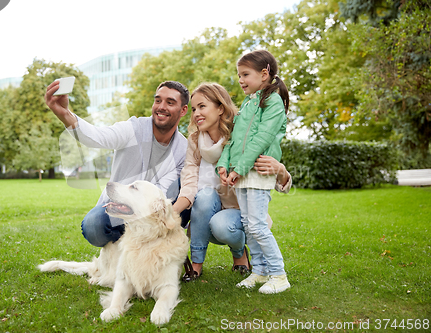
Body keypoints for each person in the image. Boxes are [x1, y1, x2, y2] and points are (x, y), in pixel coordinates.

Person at [45, 80, 189, 247]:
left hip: (150, 216)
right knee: (93, 225)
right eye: (158, 100)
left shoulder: (183, 150)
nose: (161, 106)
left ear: (183, 110)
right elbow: (98, 136)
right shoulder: (134, 128)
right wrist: (65, 114)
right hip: (118, 208)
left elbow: (162, 191)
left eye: (170, 102)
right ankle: (126, 252)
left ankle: (143, 247)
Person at [172, 82, 292, 282]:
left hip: (239, 216)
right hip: (206, 214)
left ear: (220, 108)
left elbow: (271, 177)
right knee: (204, 195)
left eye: (202, 106)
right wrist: (172, 213)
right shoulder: (194, 141)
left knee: (222, 224)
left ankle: (240, 254)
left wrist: (281, 170)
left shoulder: (242, 134)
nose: (196, 114)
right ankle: (196, 266)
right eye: (193, 109)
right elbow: (189, 181)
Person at [216, 49, 290, 294]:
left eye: (245, 74)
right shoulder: (247, 103)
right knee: (249, 226)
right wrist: (224, 165)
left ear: (264, 73)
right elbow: (233, 140)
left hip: (257, 170)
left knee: (257, 225)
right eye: (239, 74)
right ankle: (259, 271)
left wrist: (240, 168)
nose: (240, 79)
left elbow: (261, 139)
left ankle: (278, 275)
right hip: (243, 172)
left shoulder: (272, 101)